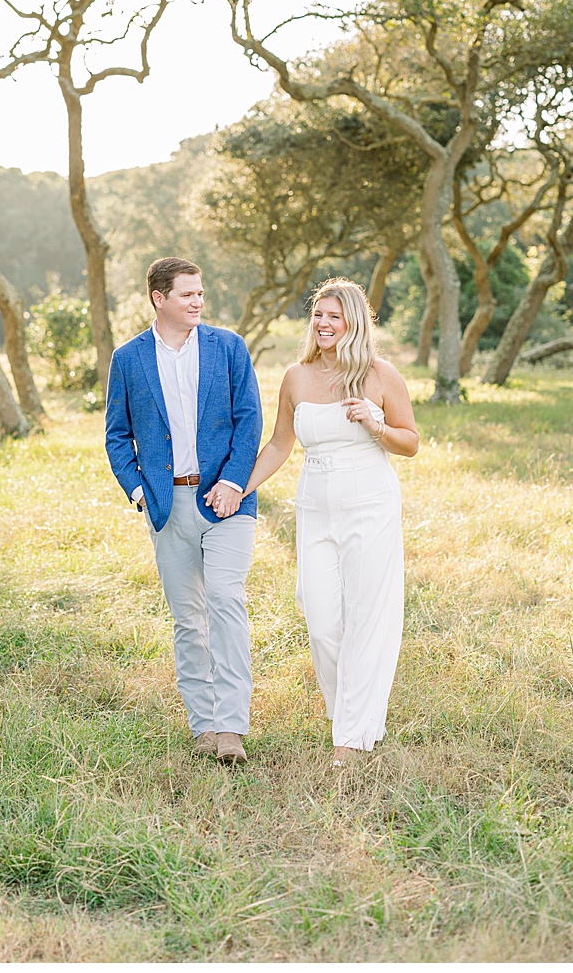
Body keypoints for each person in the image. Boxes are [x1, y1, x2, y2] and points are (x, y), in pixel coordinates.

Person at [242, 277, 418, 767]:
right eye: (318, 315)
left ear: (354, 323)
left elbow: (411, 442)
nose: (323, 324)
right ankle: (354, 715)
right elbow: (279, 444)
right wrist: (240, 486)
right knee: (320, 619)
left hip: (369, 501)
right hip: (315, 504)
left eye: (333, 317)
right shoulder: (297, 377)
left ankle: (351, 738)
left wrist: (376, 423)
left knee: (366, 619)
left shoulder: (382, 376)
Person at [104, 257, 263, 765]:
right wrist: (137, 489)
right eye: (187, 294)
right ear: (159, 298)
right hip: (166, 504)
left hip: (227, 501)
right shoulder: (128, 359)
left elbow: (248, 418)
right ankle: (204, 725)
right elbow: (116, 434)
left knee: (224, 601)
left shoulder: (228, 347)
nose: (198, 301)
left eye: (200, 293)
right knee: (188, 619)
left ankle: (233, 727)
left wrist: (235, 482)